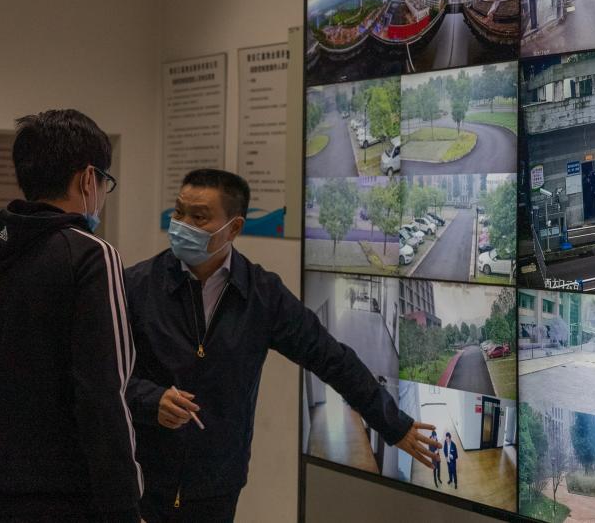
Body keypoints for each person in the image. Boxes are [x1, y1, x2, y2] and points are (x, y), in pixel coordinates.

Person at [124, 169, 440, 521]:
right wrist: (151, 400)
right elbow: (102, 376)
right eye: (179, 212)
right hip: (143, 475)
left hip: (217, 484)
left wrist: (393, 424)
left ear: (234, 228)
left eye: (198, 217)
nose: (182, 225)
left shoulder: (262, 295)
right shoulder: (136, 286)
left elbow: (330, 357)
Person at [0, 109, 142, 522]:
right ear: (88, 178)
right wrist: (123, 505)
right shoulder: (91, 256)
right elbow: (104, 392)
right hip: (69, 499)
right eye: (104, 182)